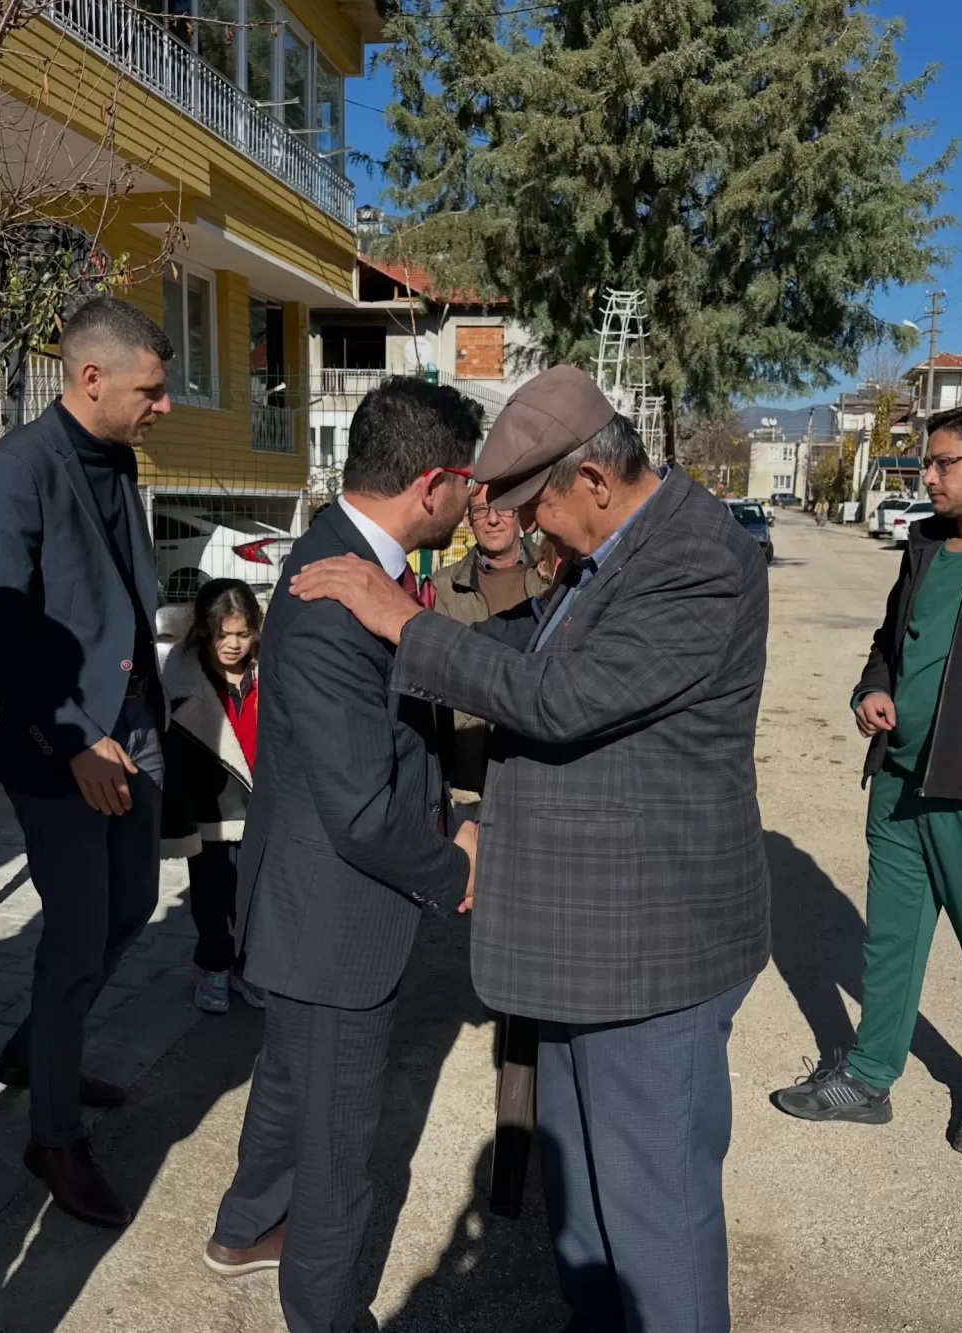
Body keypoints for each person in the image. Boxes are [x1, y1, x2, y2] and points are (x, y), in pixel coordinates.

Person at [289, 364, 771, 1333]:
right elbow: (541, 658)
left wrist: (408, 621)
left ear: (594, 479)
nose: (531, 530)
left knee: (656, 1230)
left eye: (537, 506)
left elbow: (561, 698)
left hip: (650, 956)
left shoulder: (698, 557)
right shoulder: (613, 551)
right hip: (585, 953)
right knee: (588, 1215)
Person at [204, 376, 481, 1333]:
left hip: (309, 914)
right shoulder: (332, 594)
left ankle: (244, 1228)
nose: (472, 502)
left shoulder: (353, 560)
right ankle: (325, 1312)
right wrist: (455, 868)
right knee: (337, 1143)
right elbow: (362, 810)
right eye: (468, 483)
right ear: (433, 483)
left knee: (292, 1088)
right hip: (331, 923)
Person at [0, 296, 172, 1228]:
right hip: (56, 743)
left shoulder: (117, 458)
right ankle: (51, 1136)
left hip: (128, 728)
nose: (164, 405)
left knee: (133, 904)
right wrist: (69, 738)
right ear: (90, 378)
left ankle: (30, 1051)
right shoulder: (12, 475)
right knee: (73, 940)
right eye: (153, 389)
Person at [775, 405, 962, 1148]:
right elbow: (887, 641)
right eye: (928, 461)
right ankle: (868, 1075)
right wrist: (871, 690)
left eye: (944, 462)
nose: (927, 476)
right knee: (890, 939)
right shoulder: (922, 544)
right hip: (898, 777)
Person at [160, 578, 266, 1014]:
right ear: (205, 630)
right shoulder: (185, 678)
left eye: (243, 634)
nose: (234, 645)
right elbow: (175, 755)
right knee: (212, 895)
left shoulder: (268, 673)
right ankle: (212, 965)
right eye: (224, 635)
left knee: (254, 897)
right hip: (211, 810)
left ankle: (245, 966)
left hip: (261, 806)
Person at [430, 484, 550, 803]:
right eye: (481, 510)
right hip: (468, 778)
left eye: (504, 508)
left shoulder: (552, 578)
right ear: (468, 522)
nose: (493, 519)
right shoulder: (444, 588)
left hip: (539, 772)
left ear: (521, 515)